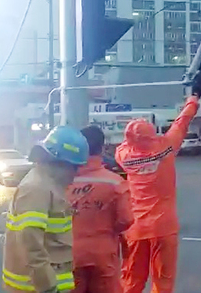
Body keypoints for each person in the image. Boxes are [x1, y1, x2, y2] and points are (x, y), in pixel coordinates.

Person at [115, 95, 199, 293]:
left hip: (136, 227)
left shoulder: (124, 157)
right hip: (164, 226)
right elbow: (182, 122)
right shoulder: (166, 148)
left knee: (132, 281)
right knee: (163, 282)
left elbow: (123, 145)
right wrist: (192, 101)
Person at [2, 126, 89, 293]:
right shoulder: (36, 189)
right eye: (75, 167)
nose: (75, 174)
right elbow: (31, 243)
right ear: (61, 164)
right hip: (37, 288)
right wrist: (47, 286)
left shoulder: (46, 185)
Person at [67, 125, 134, 293]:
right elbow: (126, 219)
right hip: (103, 254)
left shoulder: (65, 181)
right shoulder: (114, 182)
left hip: (70, 254)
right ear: (102, 148)